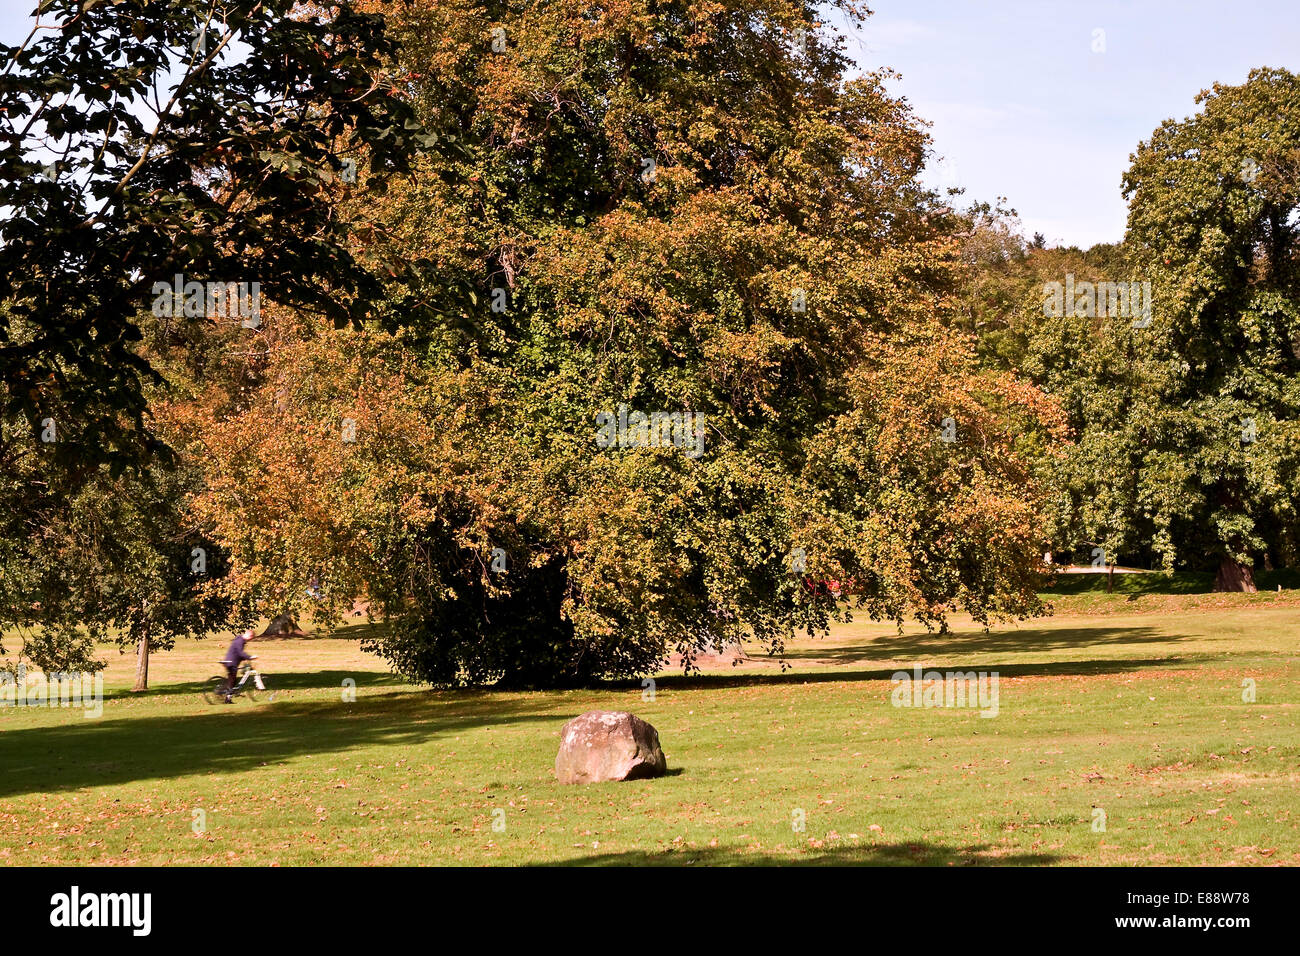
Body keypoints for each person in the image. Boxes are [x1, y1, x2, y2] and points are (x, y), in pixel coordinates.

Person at [222, 629, 256, 702]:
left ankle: (228, 698)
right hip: (231, 662)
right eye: (251, 637)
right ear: (249, 635)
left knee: (232, 681)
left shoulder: (240, 640)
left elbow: (238, 653)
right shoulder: (240, 641)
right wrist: (249, 657)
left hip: (231, 661)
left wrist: (244, 658)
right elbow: (240, 652)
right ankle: (227, 696)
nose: (250, 639)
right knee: (232, 681)